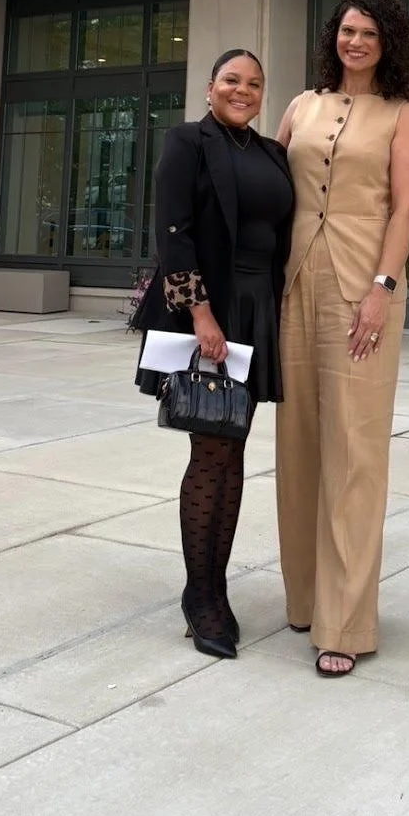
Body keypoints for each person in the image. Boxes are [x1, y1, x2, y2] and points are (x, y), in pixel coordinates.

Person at [274, 0, 409, 677]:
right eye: (346, 30)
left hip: (363, 292)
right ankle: (305, 599)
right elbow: (268, 189)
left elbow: (403, 211)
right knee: (299, 444)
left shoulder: (402, 116)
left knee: (354, 450)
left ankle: (345, 623)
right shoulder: (300, 107)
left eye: (367, 33)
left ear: (387, 42)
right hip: (294, 285)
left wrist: (382, 289)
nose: (355, 41)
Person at [133, 49, 294, 661]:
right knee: (210, 452)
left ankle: (212, 585)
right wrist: (200, 313)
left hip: (259, 306)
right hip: (212, 307)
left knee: (235, 450)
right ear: (210, 88)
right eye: (232, 80)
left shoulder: (271, 153)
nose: (243, 90)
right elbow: (173, 230)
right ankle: (202, 595)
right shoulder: (187, 142)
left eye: (254, 83)